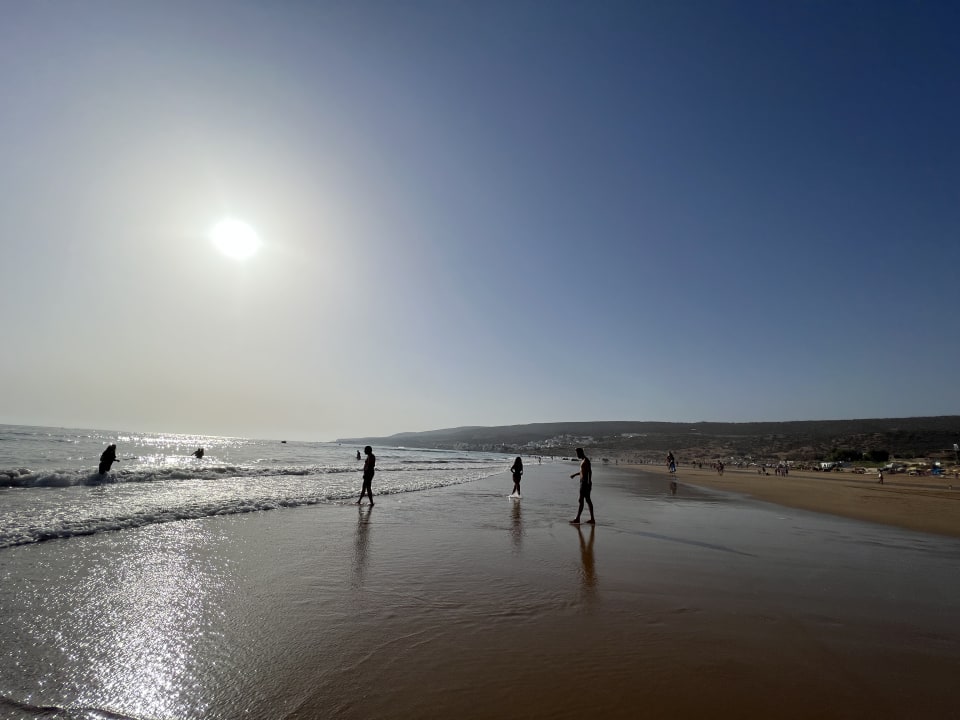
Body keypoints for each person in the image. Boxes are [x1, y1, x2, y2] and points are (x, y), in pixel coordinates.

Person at [569, 447, 595, 524]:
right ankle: (591, 519)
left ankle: (578, 519)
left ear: (580, 453)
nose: (577, 455)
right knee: (586, 500)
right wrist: (575, 475)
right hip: (583, 482)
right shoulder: (583, 460)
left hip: (585, 483)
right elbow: (582, 472)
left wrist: (589, 482)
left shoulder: (586, 461)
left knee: (582, 500)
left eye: (577, 454)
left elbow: (590, 472)